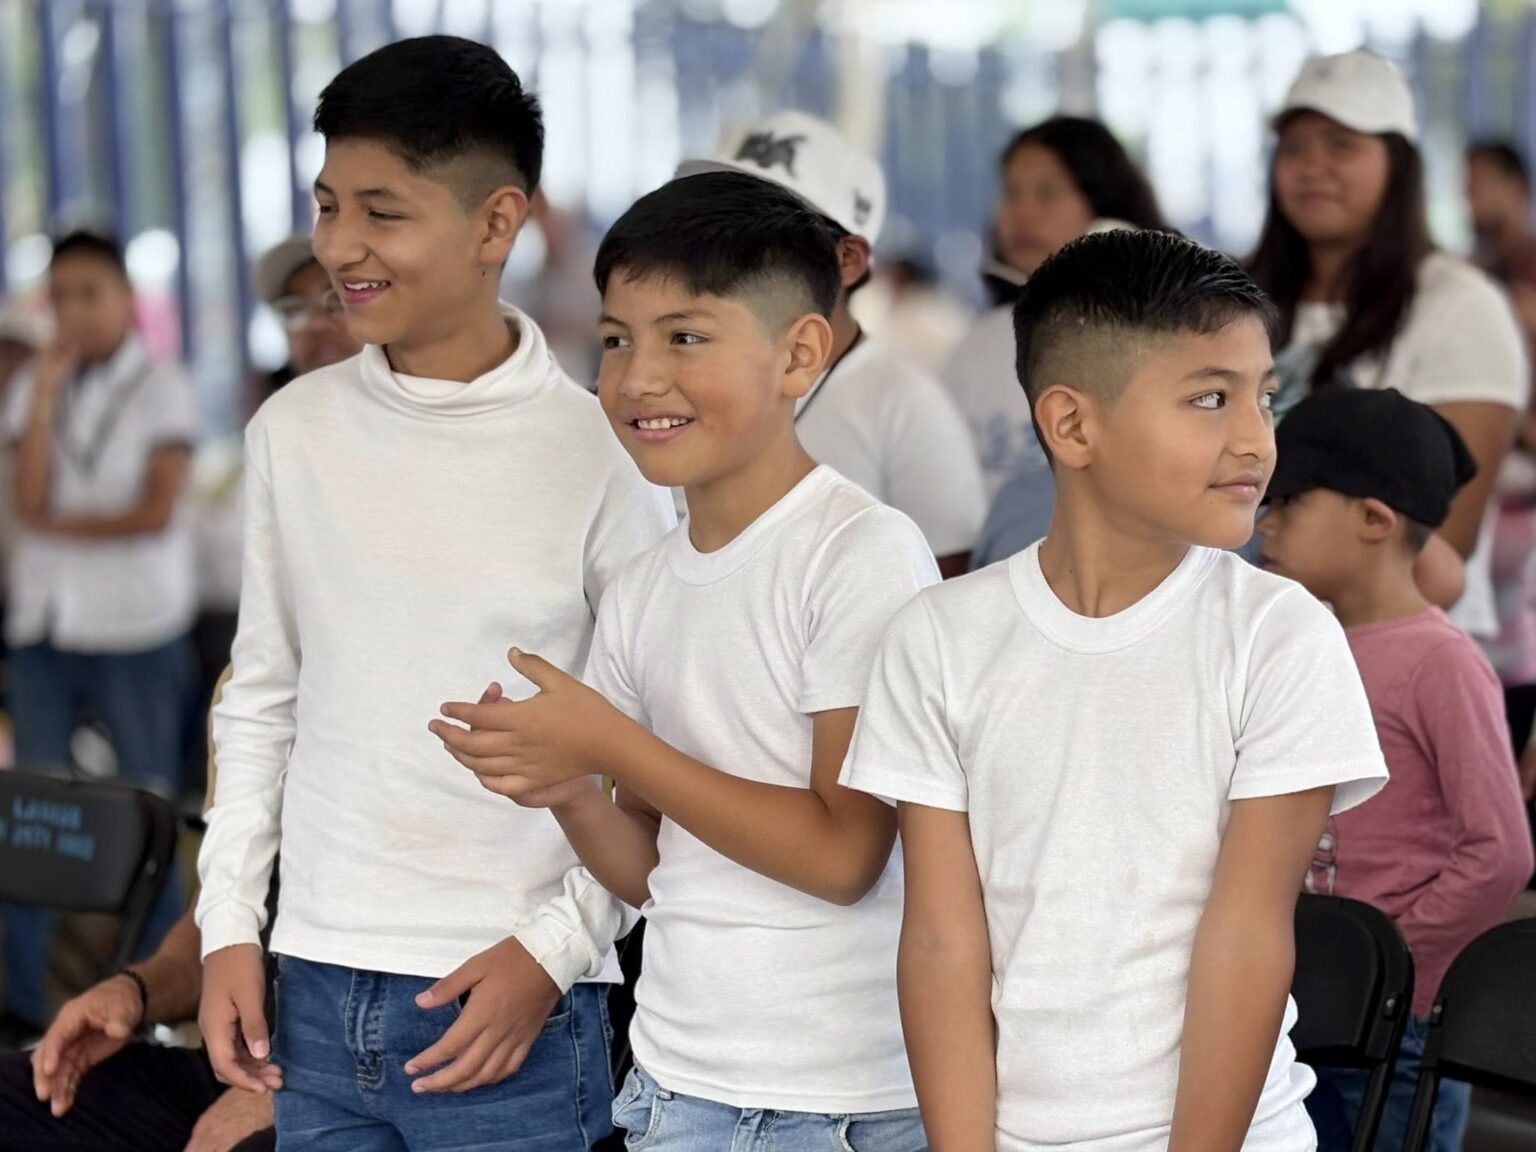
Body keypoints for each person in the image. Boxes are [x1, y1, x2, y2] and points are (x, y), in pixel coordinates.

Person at [195, 36, 672, 1150]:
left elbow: (655, 750)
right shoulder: (292, 431)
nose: (339, 246)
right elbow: (261, 699)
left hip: (513, 1006)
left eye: (382, 211)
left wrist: (554, 954)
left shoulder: (604, 453)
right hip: (310, 987)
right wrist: (228, 929)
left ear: (497, 224)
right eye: (327, 206)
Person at [841, 229, 1389, 1152]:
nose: (1256, 439)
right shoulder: (938, 637)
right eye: (1210, 398)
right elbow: (941, 940)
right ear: (1071, 425)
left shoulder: (1278, 634)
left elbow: (1247, 939)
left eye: (1265, 397)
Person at [433, 171, 937, 1149]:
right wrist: (570, 789)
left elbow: (845, 856)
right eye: (617, 339)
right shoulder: (645, 586)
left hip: (837, 1103)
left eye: (686, 338)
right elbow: (653, 871)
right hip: (676, 1087)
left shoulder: (860, 552)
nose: (638, 378)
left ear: (800, 354)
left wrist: (610, 741)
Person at [1255, 386, 1534, 1152]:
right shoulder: (1301, 646)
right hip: (1301, 1002)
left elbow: (1500, 850)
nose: (1264, 523)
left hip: (1395, 1027)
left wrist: (1394, 966)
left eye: (1289, 502)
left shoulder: (1441, 663)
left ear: (1375, 520)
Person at [1249, 51, 1528, 640]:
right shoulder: (1235, 302)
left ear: (1397, 165)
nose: (1312, 166)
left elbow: (1441, 538)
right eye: (1294, 147)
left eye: (1341, 144)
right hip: (1250, 641)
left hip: (1396, 651)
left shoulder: (1459, 305)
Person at [2, 230, 200, 1042]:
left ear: (124, 298)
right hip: (48, 623)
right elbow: (28, 497)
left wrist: (57, 525)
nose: (75, 311)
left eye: (90, 292)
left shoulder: (163, 385)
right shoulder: (35, 386)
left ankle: (154, 1003)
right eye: (61, 296)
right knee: (28, 817)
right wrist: (46, 389)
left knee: (146, 809)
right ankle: (22, 1008)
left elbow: (154, 511)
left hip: (135, 626)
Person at [680, 110, 985, 575]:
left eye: (765, 228)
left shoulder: (902, 402)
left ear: (848, 259)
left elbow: (950, 586)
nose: (728, 247)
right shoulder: (682, 376)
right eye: (719, 220)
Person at [947, 117, 1167, 563]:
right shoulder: (977, 348)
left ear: (1104, 207)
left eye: (1047, 193)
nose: (1023, 213)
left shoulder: (1167, 337)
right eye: (1011, 193)